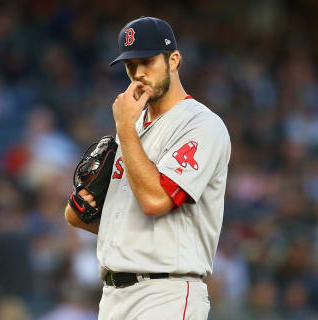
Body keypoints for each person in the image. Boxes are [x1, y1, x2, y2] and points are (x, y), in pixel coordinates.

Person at [64, 16, 231, 319]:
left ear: (173, 60)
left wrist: (125, 127)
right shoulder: (132, 128)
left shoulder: (201, 125)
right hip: (113, 295)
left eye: (147, 61)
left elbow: (155, 201)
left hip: (166, 292)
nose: (138, 73)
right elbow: (119, 221)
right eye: (130, 66)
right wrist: (82, 215)